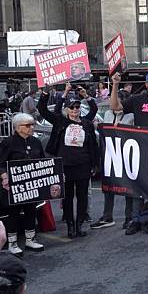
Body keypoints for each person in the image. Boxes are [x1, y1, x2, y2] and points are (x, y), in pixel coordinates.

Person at [96, 72, 148, 233]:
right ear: (146, 85)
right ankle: (135, 219)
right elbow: (115, 107)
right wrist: (115, 84)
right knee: (138, 186)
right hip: (141, 151)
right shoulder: (137, 100)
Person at [38, 90, 98, 239]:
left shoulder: (87, 123)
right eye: (72, 107)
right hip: (65, 166)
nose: (75, 110)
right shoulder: (61, 122)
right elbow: (42, 109)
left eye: (77, 107)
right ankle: (70, 226)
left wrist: (86, 96)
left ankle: (79, 225)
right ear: (67, 110)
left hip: (83, 165)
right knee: (68, 197)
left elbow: (94, 109)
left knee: (82, 197)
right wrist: (47, 93)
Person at [0, 113, 46, 255]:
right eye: (27, 125)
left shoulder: (36, 141)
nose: (31, 127)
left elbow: (43, 161)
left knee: (31, 211)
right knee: (13, 213)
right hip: (14, 186)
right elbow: (1, 163)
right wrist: (4, 176)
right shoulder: (8, 143)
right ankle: (12, 243)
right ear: (17, 127)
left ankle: (30, 239)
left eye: (32, 124)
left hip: (32, 184)